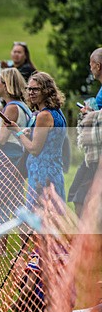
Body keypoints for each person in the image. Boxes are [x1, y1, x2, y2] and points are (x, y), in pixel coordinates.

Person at [0, 68, 31, 254]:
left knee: (7, 204)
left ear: (7, 84)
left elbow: (2, 139)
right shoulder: (21, 106)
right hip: (14, 159)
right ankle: (17, 248)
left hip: (7, 160)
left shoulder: (11, 108)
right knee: (12, 203)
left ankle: (10, 249)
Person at [4, 71, 67, 207]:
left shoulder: (43, 116)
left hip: (42, 176)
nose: (31, 93)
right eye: (29, 89)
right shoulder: (57, 112)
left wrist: (17, 130)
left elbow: (34, 149)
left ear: (46, 91)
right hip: (55, 171)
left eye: (35, 89)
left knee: (39, 217)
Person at [69, 48, 102, 215]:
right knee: (77, 195)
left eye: (91, 64)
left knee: (80, 198)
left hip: (98, 155)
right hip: (94, 155)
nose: (90, 68)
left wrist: (91, 114)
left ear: (98, 66)